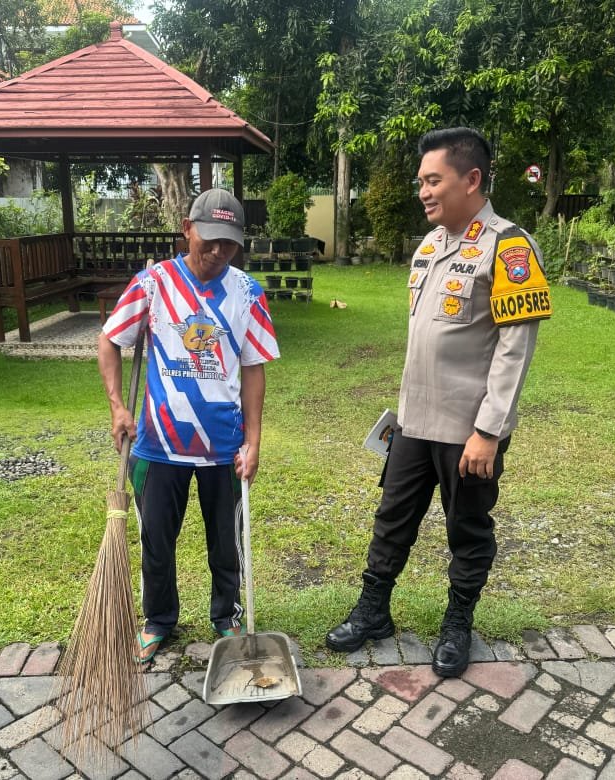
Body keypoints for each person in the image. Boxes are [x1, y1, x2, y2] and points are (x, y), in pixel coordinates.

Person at [326, 127, 552, 677]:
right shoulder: (429, 246)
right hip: (414, 422)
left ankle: (458, 624)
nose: (423, 191)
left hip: (468, 430)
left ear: (471, 179)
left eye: (434, 180)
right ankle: (374, 610)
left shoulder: (510, 246)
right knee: (391, 519)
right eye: (421, 181)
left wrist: (490, 431)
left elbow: (514, 348)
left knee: (467, 529)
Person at [98, 188, 280, 664]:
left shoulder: (247, 292)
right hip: (158, 445)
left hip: (224, 447)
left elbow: (255, 367)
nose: (220, 252)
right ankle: (159, 620)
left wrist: (254, 442)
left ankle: (227, 614)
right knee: (156, 539)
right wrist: (118, 406)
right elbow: (111, 340)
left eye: (231, 244)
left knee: (227, 540)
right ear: (187, 230)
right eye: (211, 240)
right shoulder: (153, 284)